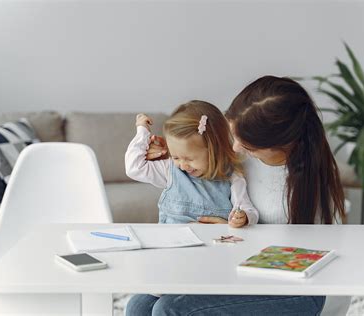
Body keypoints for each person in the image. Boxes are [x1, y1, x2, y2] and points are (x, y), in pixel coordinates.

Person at [126, 76, 350, 315]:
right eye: (235, 136)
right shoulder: (237, 160)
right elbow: (197, 163)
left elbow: (312, 259)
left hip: (294, 286)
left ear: (280, 143)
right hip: (240, 269)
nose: (235, 148)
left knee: (170, 309)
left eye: (247, 143)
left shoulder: (309, 182)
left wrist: (235, 233)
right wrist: (168, 153)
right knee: (139, 305)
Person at [125, 100, 258, 226]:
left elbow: (246, 207)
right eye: (176, 157)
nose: (182, 166)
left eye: (189, 159)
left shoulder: (232, 176)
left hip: (213, 244)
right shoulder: (169, 170)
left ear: (214, 150)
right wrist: (142, 131)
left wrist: (244, 218)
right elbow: (134, 168)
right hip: (172, 243)